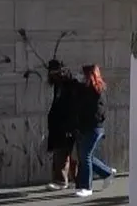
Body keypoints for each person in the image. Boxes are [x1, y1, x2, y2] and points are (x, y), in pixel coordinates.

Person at [72, 64, 117, 197]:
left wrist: (88, 122)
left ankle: (87, 187)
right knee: (86, 155)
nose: (80, 76)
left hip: (94, 127)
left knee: (85, 155)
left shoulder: (96, 90)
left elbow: (98, 111)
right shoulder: (84, 89)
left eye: (83, 74)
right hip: (86, 127)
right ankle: (107, 172)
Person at [45, 61, 79, 190]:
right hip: (59, 125)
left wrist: (70, 126)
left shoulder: (68, 85)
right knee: (64, 152)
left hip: (66, 125)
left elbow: (71, 108)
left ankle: (61, 180)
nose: (52, 76)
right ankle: (74, 179)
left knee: (63, 152)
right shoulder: (58, 85)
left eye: (54, 73)